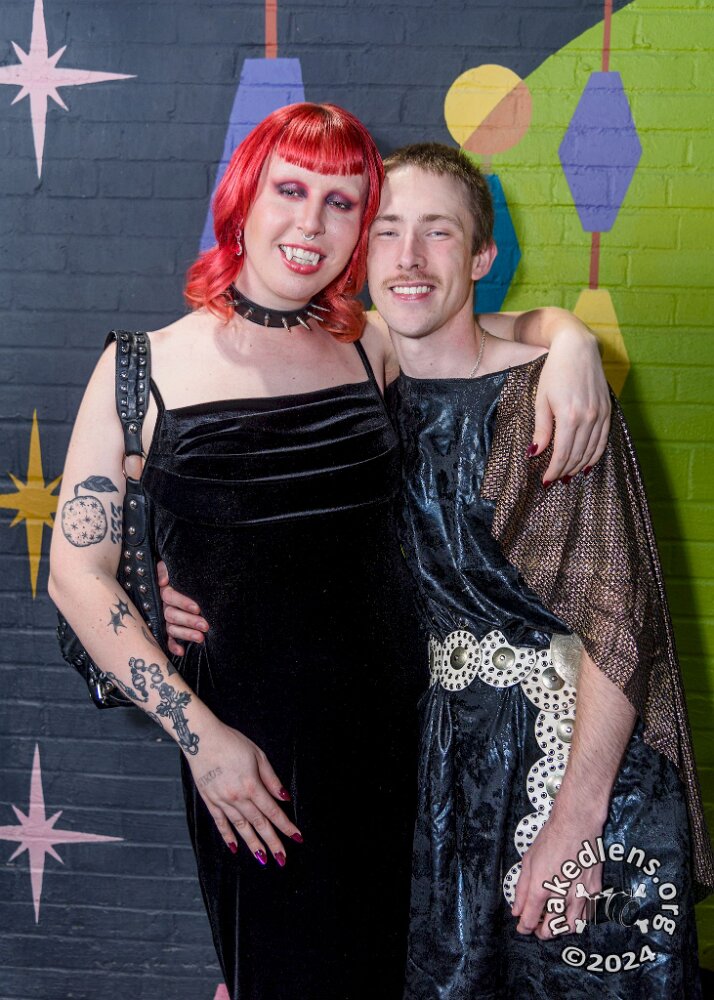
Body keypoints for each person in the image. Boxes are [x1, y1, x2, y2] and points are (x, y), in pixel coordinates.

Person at [50, 104, 611, 1000]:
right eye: (291, 190)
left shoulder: (370, 343)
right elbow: (74, 574)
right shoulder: (137, 369)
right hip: (251, 760)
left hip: (405, 743)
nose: (311, 222)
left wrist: (575, 342)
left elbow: (505, 330)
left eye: (342, 203)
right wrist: (201, 740)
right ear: (244, 198)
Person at [165, 140, 713, 998]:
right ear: (359, 253)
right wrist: (160, 582)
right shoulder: (361, 388)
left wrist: (577, 819)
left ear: (482, 256)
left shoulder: (549, 402)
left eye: (439, 233)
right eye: (386, 231)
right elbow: (195, 476)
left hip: (576, 767)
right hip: (438, 776)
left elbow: (621, 623)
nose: (410, 258)